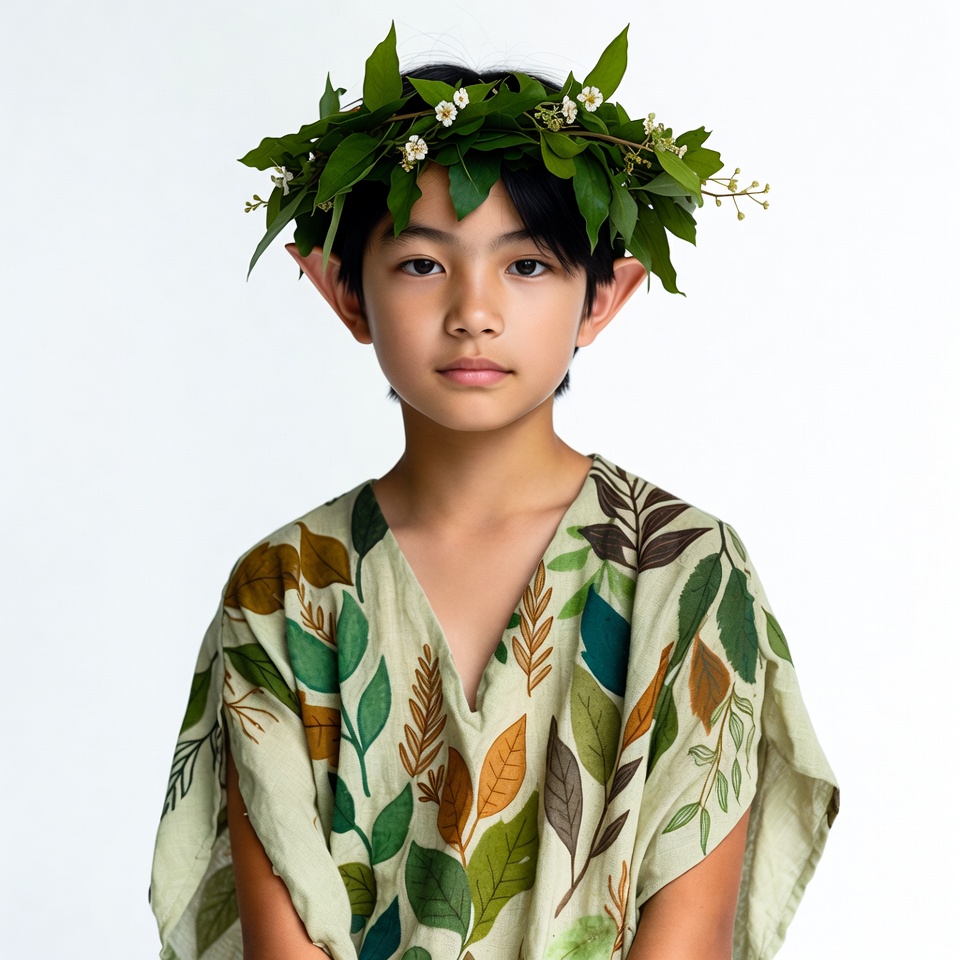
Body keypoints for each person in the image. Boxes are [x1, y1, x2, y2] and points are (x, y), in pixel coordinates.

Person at [150, 25, 838, 960]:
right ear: (343, 292)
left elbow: (688, 938)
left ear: (604, 296)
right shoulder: (282, 591)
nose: (474, 310)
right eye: (423, 263)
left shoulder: (689, 574)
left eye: (527, 264)